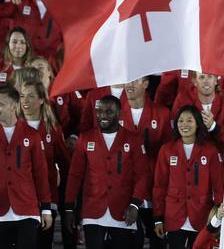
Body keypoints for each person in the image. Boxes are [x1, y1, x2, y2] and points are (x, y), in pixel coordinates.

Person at [64, 95, 150, 249]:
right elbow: (75, 176)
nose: (103, 115)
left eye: (109, 111)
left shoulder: (134, 139)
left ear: (119, 114)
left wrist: (135, 204)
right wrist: (70, 207)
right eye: (100, 111)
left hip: (124, 211)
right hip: (93, 210)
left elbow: (142, 174)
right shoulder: (85, 138)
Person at [152, 105, 224, 249]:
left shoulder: (210, 150)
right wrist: (158, 219)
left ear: (198, 123)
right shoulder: (166, 150)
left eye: (189, 120)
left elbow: (219, 187)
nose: (184, 125)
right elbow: (159, 186)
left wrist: (218, 219)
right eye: (180, 121)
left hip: (202, 217)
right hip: (174, 217)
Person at [121, 76, 173, 249]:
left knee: (158, 239)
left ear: (145, 84)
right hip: (126, 189)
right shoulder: (116, 111)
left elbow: (169, 155)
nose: (129, 84)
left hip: (154, 189)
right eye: (127, 80)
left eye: (135, 81)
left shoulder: (163, 113)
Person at [18, 80, 70, 249]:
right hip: (18, 198)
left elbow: (64, 162)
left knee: (43, 243)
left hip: (47, 198)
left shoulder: (52, 128)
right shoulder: (10, 127)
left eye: (31, 96)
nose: (25, 101)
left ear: (41, 100)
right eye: (22, 96)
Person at [0, 85, 52, 248]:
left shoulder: (32, 135)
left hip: (27, 208)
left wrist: (46, 209)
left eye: (1, 104)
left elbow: (40, 174)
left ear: (14, 106)